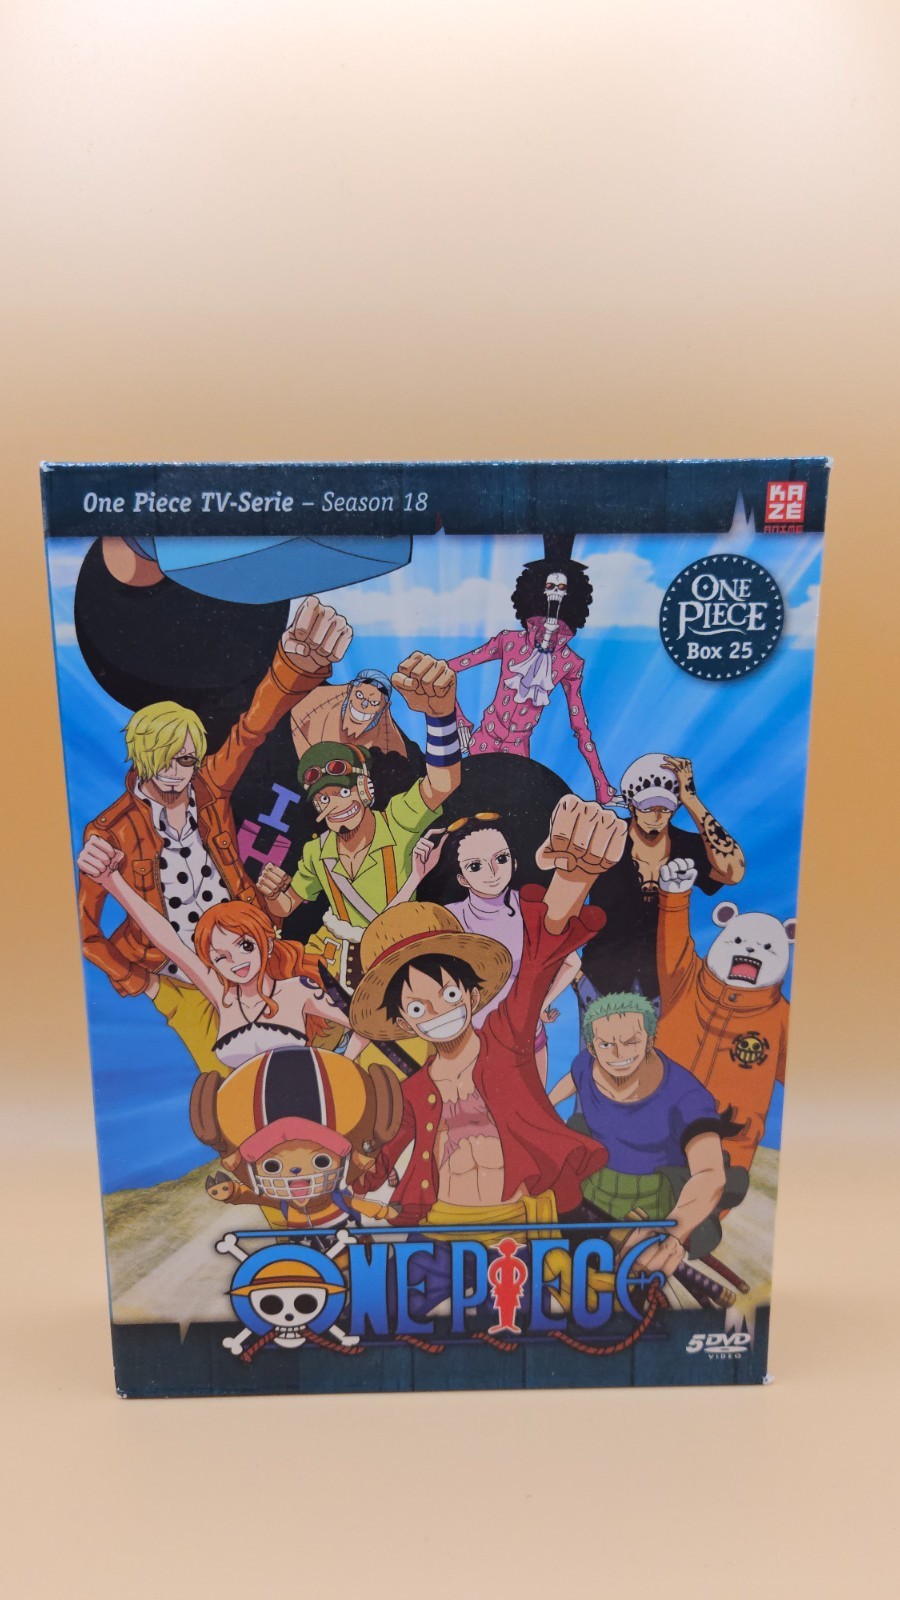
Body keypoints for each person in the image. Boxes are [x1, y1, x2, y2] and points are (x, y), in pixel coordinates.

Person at [77, 594, 352, 1075]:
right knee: (232, 1085)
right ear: (140, 758)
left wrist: (292, 667)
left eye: (185, 760)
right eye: (161, 762)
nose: (174, 774)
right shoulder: (110, 831)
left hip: (254, 956)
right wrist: (139, 983)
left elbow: (251, 730)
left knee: (324, 1049)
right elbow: (83, 931)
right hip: (181, 980)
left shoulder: (207, 788)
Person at [347, 795, 626, 1233]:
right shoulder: (412, 1092)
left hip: (522, 1219)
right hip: (442, 1225)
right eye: (418, 1007)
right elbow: (368, 1168)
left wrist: (574, 879)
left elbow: (540, 959)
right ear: (403, 1023)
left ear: (473, 995)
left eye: (449, 993)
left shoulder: (507, 1041)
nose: (438, 1009)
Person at [258, 652, 462, 994]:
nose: (335, 804)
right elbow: (286, 905)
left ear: (365, 789)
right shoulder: (316, 853)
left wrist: (440, 716)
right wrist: (272, 893)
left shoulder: (398, 821)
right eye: (323, 798)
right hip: (332, 968)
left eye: (343, 791)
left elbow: (442, 784)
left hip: (397, 961)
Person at [76, 836, 365, 1071]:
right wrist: (111, 881)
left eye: (245, 946)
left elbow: (364, 1024)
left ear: (266, 943)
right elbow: (168, 941)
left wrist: (342, 1067)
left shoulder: (298, 990)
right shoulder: (221, 994)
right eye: (220, 957)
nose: (236, 962)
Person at [550, 992, 746, 1273]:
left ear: (650, 1040)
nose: (619, 1054)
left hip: (650, 1206)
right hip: (589, 1188)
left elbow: (709, 1173)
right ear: (592, 1047)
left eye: (631, 1041)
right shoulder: (586, 1064)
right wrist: (546, 1106)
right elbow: (574, 1078)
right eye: (606, 1044)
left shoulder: (686, 1096)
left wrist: (671, 1231)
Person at [405, 813, 580, 1083]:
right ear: (462, 878)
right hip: (468, 1047)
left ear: (514, 862)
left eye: (501, 859)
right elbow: (389, 938)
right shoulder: (450, 918)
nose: (493, 872)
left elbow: (572, 962)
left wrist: (541, 1004)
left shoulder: (532, 909)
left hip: (527, 1040)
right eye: (476, 866)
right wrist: (415, 877)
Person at [655, 858, 794, 1171]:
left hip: (726, 1150)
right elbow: (674, 946)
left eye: (767, 948)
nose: (751, 950)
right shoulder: (686, 980)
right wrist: (674, 897)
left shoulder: (782, 1020)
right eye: (740, 941)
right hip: (653, 1132)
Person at [578, 752, 745, 1005]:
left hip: (665, 984)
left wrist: (691, 799)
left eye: (664, 808)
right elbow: (569, 897)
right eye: (647, 807)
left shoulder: (686, 846)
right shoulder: (606, 837)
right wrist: (575, 975)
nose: (656, 816)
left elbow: (733, 872)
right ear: (631, 804)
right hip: (600, 981)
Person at [446, 557, 616, 804]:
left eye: (562, 588)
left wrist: (602, 787)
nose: (555, 595)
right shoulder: (508, 641)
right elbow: (447, 670)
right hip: (480, 745)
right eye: (550, 587)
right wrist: (460, 721)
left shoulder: (570, 662)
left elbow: (580, 727)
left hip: (518, 757)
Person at [291, 668, 408, 760]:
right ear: (350, 688)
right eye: (359, 695)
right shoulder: (315, 706)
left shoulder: (389, 745)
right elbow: (297, 719)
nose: (364, 705)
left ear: (385, 707)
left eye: (374, 702)